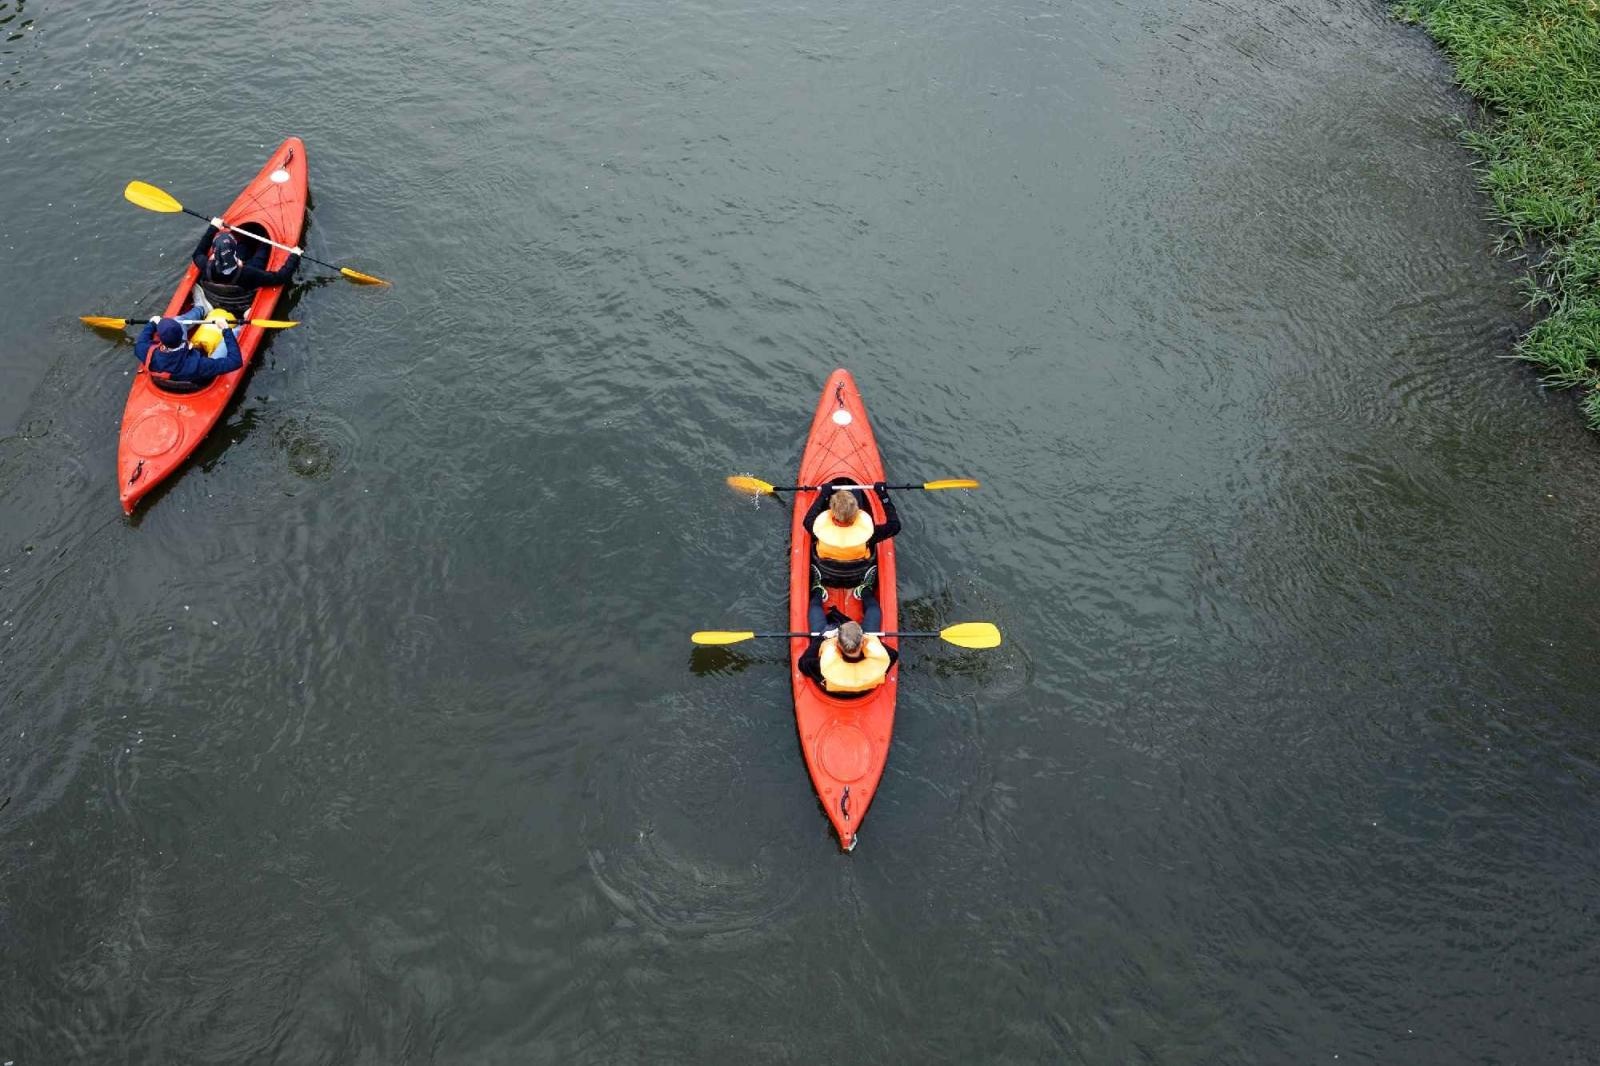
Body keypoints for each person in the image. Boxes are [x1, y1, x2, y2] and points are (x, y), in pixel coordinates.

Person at [802, 480, 901, 594]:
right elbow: (895, 525)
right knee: (866, 591)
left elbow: (807, 519)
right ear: (857, 510)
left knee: (817, 589)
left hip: (827, 576)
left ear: (832, 512)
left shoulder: (816, 528)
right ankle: (864, 591)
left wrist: (823, 494)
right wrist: (884, 496)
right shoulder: (870, 534)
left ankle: (818, 589)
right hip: (855, 578)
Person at [798, 588, 899, 696]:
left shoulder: (820, 666)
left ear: (837, 643)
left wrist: (821, 639)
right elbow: (894, 655)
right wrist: (870, 639)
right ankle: (864, 590)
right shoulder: (881, 658)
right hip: (865, 688)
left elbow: (803, 664)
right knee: (873, 610)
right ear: (863, 642)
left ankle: (818, 591)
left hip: (835, 690)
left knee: (815, 608)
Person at [191, 222, 300, 315]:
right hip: (240, 302)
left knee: (243, 248)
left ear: (215, 253)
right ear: (234, 252)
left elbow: (197, 254)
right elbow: (281, 278)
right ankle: (264, 239)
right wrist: (294, 255)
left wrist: (213, 227)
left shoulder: (205, 266)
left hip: (218, 299)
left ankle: (248, 239)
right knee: (262, 252)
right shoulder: (249, 273)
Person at [133, 308, 242, 388]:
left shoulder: (145, 352)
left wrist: (151, 323)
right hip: (196, 378)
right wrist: (226, 330)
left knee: (178, 320)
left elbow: (142, 340)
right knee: (234, 331)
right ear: (182, 334)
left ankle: (201, 309)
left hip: (172, 380)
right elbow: (235, 361)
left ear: (160, 338)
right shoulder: (199, 364)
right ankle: (241, 326)